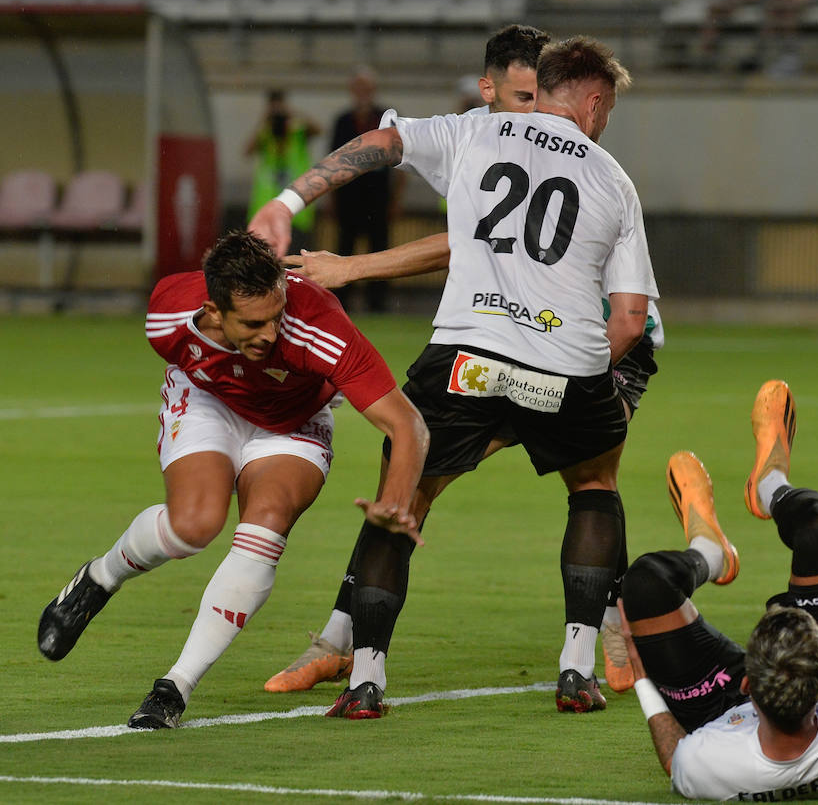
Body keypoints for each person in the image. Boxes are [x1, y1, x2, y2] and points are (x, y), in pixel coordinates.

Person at [249, 36, 657, 717]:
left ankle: (365, 679)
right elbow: (632, 317)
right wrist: (572, 380)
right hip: (565, 361)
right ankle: (576, 667)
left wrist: (289, 201)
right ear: (591, 102)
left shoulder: (473, 131)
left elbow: (381, 143)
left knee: (402, 495)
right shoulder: (612, 178)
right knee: (593, 485)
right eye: (607, 109)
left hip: (465, 353)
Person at [36, 230, 428, 729]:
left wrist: (395, 502)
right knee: (193, 527)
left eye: (276, 316)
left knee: (265, 525)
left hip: (292, 423)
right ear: (215, 311)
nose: (270, 333)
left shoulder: (317, 324)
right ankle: (99, 579)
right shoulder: (166, 317)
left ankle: (174, 687)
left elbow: (407, 423)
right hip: (210, 402)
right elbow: (189, 360)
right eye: (253, 323)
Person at [616, 380, 818, 800]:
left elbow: (676, 760)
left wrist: (642, 676)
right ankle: (770, 485)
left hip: (716, 710)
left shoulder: (709, 758)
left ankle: (711, 553)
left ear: (746, 682)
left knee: (645, 584)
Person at [329, 66, 400, 314]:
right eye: (359, 88)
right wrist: (332, 199)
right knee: (344, 249)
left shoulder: (387, 119)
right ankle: (340, 302)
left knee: (380, 250)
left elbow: (401, 163)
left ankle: (377, 302)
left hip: (378, 198)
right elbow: (332, 163)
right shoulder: (343, 121)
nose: (362, 93)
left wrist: (395, 200)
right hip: (349, 198)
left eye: (366, 88)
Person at [246, 89, 321, 253]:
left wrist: (291, 113)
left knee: (296, 265)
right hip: (266, 213)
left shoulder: (297, 132)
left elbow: (318, 129)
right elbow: (247, 151)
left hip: (296, 213)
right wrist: (264, 120)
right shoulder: (265, 135)